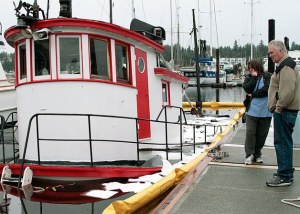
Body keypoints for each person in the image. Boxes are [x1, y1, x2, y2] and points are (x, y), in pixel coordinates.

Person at [266, 40, 300, 187]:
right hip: (285, 111)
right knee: (284, 142)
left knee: (282, 143)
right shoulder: (285, 65)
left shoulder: (286, 67)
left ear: (281, 51)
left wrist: (278, 108)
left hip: (284, 112)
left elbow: (287, 91)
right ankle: (285, 171)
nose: (270, 55)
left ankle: (284, 175)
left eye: (271, 52)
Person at [242, 59, 272, 165]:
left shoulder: (268, 76)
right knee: (250, 133)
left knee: (262, 135)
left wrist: (254, 94)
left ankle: (257, 154)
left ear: (258, 67)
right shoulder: (249, 77)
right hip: (252, 111)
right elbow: (247, 89)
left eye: (252, 68)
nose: (250, 70)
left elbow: (267, 89)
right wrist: (254, 78)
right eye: (249, 69)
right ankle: (249, 154)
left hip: (265, 112)